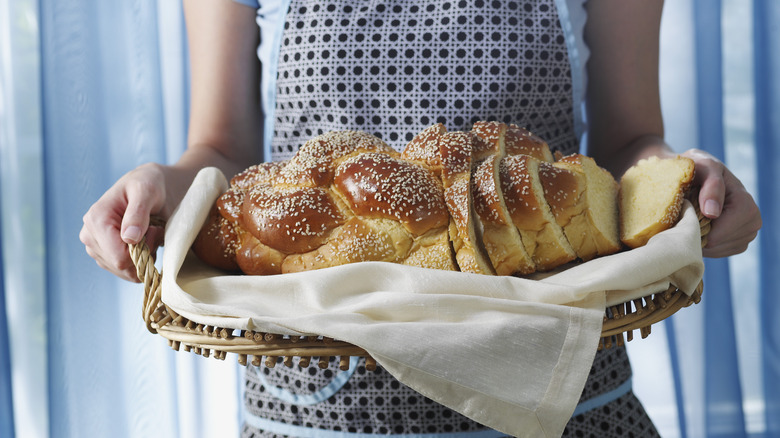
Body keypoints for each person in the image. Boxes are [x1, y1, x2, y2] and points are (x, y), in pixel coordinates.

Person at [80, 0, 762, 436]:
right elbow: (222, 153)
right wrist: (160, 187)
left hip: (561, 400)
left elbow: (629, 144)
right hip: (316, 414)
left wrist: (682, 183)